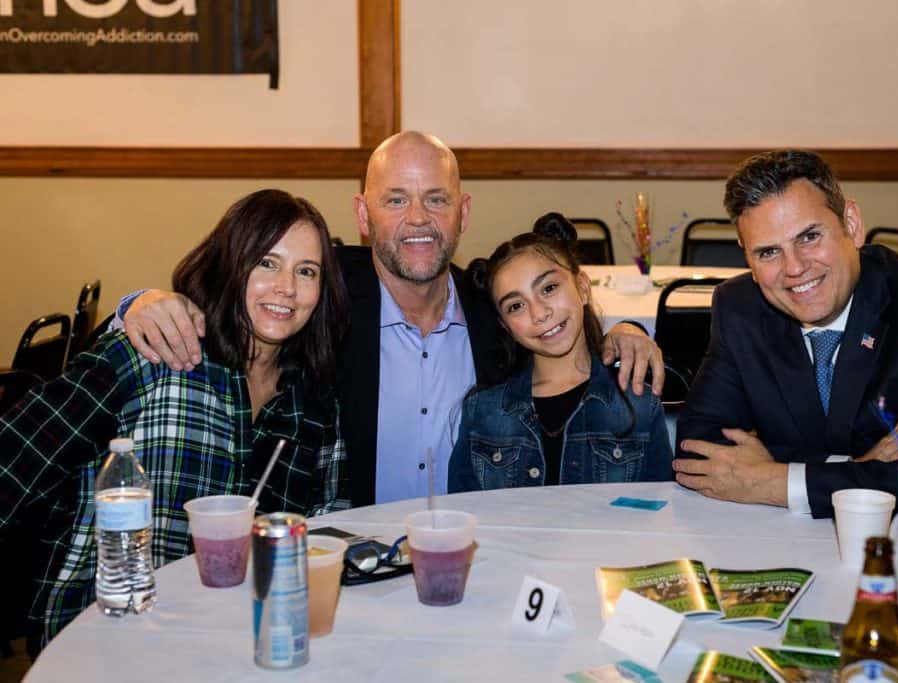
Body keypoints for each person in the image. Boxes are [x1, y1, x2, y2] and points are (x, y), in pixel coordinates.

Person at [118, 131, 665, 506]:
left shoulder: (490, 309)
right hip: (354, 565)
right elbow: (238, 293)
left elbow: (555, 324)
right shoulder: (324, 300)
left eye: (436, 199)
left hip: (473, 561)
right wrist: (138, 303)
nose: (419, 219)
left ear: (463, 212)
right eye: (396, 200)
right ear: (362, 215)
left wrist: (624, 331)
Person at [0, 189, 350, 651]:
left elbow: (325, 525)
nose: (286, 286)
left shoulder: (314, 403)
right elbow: (12, 463)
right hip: (108, 639)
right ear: (230, 264)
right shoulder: (153, 356)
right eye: (266, 263)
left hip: (241, 643)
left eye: (306, 271)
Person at [673, 149, 898, 521]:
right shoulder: (739, 307)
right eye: (768, 252)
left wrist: (774, 481)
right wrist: (863, 464)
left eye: (809, 237)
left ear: (851, 224)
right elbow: (697, 456)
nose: (795, 268)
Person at [448, 219, 673, 492]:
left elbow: (659, 514)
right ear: (505, 326)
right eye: (516, 305)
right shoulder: (482, 412)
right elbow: (463, 517)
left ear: (582, 287)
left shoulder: (637, 405)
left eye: (549, 288)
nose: (539, 313)